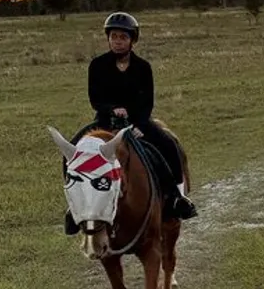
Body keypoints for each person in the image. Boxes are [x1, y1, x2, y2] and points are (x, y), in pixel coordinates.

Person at [63, 12, 197, 235]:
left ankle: (177, 198)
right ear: (108, 38)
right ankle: (73, 205)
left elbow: (147, 102)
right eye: (114, 37)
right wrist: (110, 109)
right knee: (72, 149)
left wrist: (138, 125)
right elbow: (95, 99)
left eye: (123, 37)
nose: (117, 41)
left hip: (138, 122)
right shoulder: (97, 65)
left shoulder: (143, 67)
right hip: (105, 122)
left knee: (169, 145)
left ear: (132, 40)